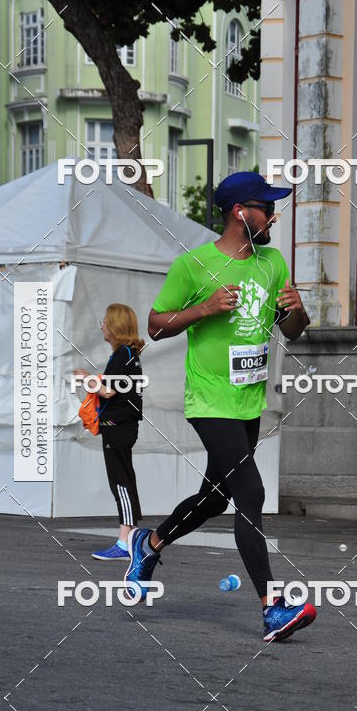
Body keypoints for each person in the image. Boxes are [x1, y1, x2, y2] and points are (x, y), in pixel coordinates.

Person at [124, 171, 317, 642]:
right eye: (265, 207)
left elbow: (294, 331)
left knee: (215, 498)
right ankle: (273, 608)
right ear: (239, 212)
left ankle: (148, 544)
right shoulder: (194, 265)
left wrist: (296, 308)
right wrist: (204, 309)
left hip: (248, 400)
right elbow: (155, 326)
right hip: (209, 400)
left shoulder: (272, 262)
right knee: (250, 495)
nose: (273, 215)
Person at [74, 304, 144, 561]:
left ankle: (125, 542)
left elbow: (109, 391)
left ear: (115, 326)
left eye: (105, 321)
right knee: (126, 479)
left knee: (121, 482)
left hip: (117, 427)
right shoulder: (129, 355)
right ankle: (133, 537)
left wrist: (86, 379)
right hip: (124, 427)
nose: (101, 325)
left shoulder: (122, 355)